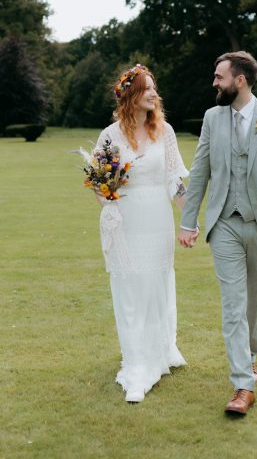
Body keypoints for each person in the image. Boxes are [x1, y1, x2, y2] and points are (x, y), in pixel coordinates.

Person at [178, 51, 257, 415]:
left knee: (254, 300)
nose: (214, 83)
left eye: (219, 77)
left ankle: (250, 355)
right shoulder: (212, 118)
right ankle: (242, 385)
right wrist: (189, 221)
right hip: (224, 225)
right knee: (233, 305)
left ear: (240, 80)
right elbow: (200, 171)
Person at [94, 64, 188, 403]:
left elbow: (175, 180)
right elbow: (100, 186)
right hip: (127, 221)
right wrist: (109, 201)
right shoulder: (110, 135)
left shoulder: (166, 132)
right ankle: (137, 364)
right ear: (129, 96)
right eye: (145, 88)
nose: (153, 93)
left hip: (158, 219)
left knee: (157, 284)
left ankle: (161, 351)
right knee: (131, 287)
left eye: (153, 87)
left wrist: (188, 219)